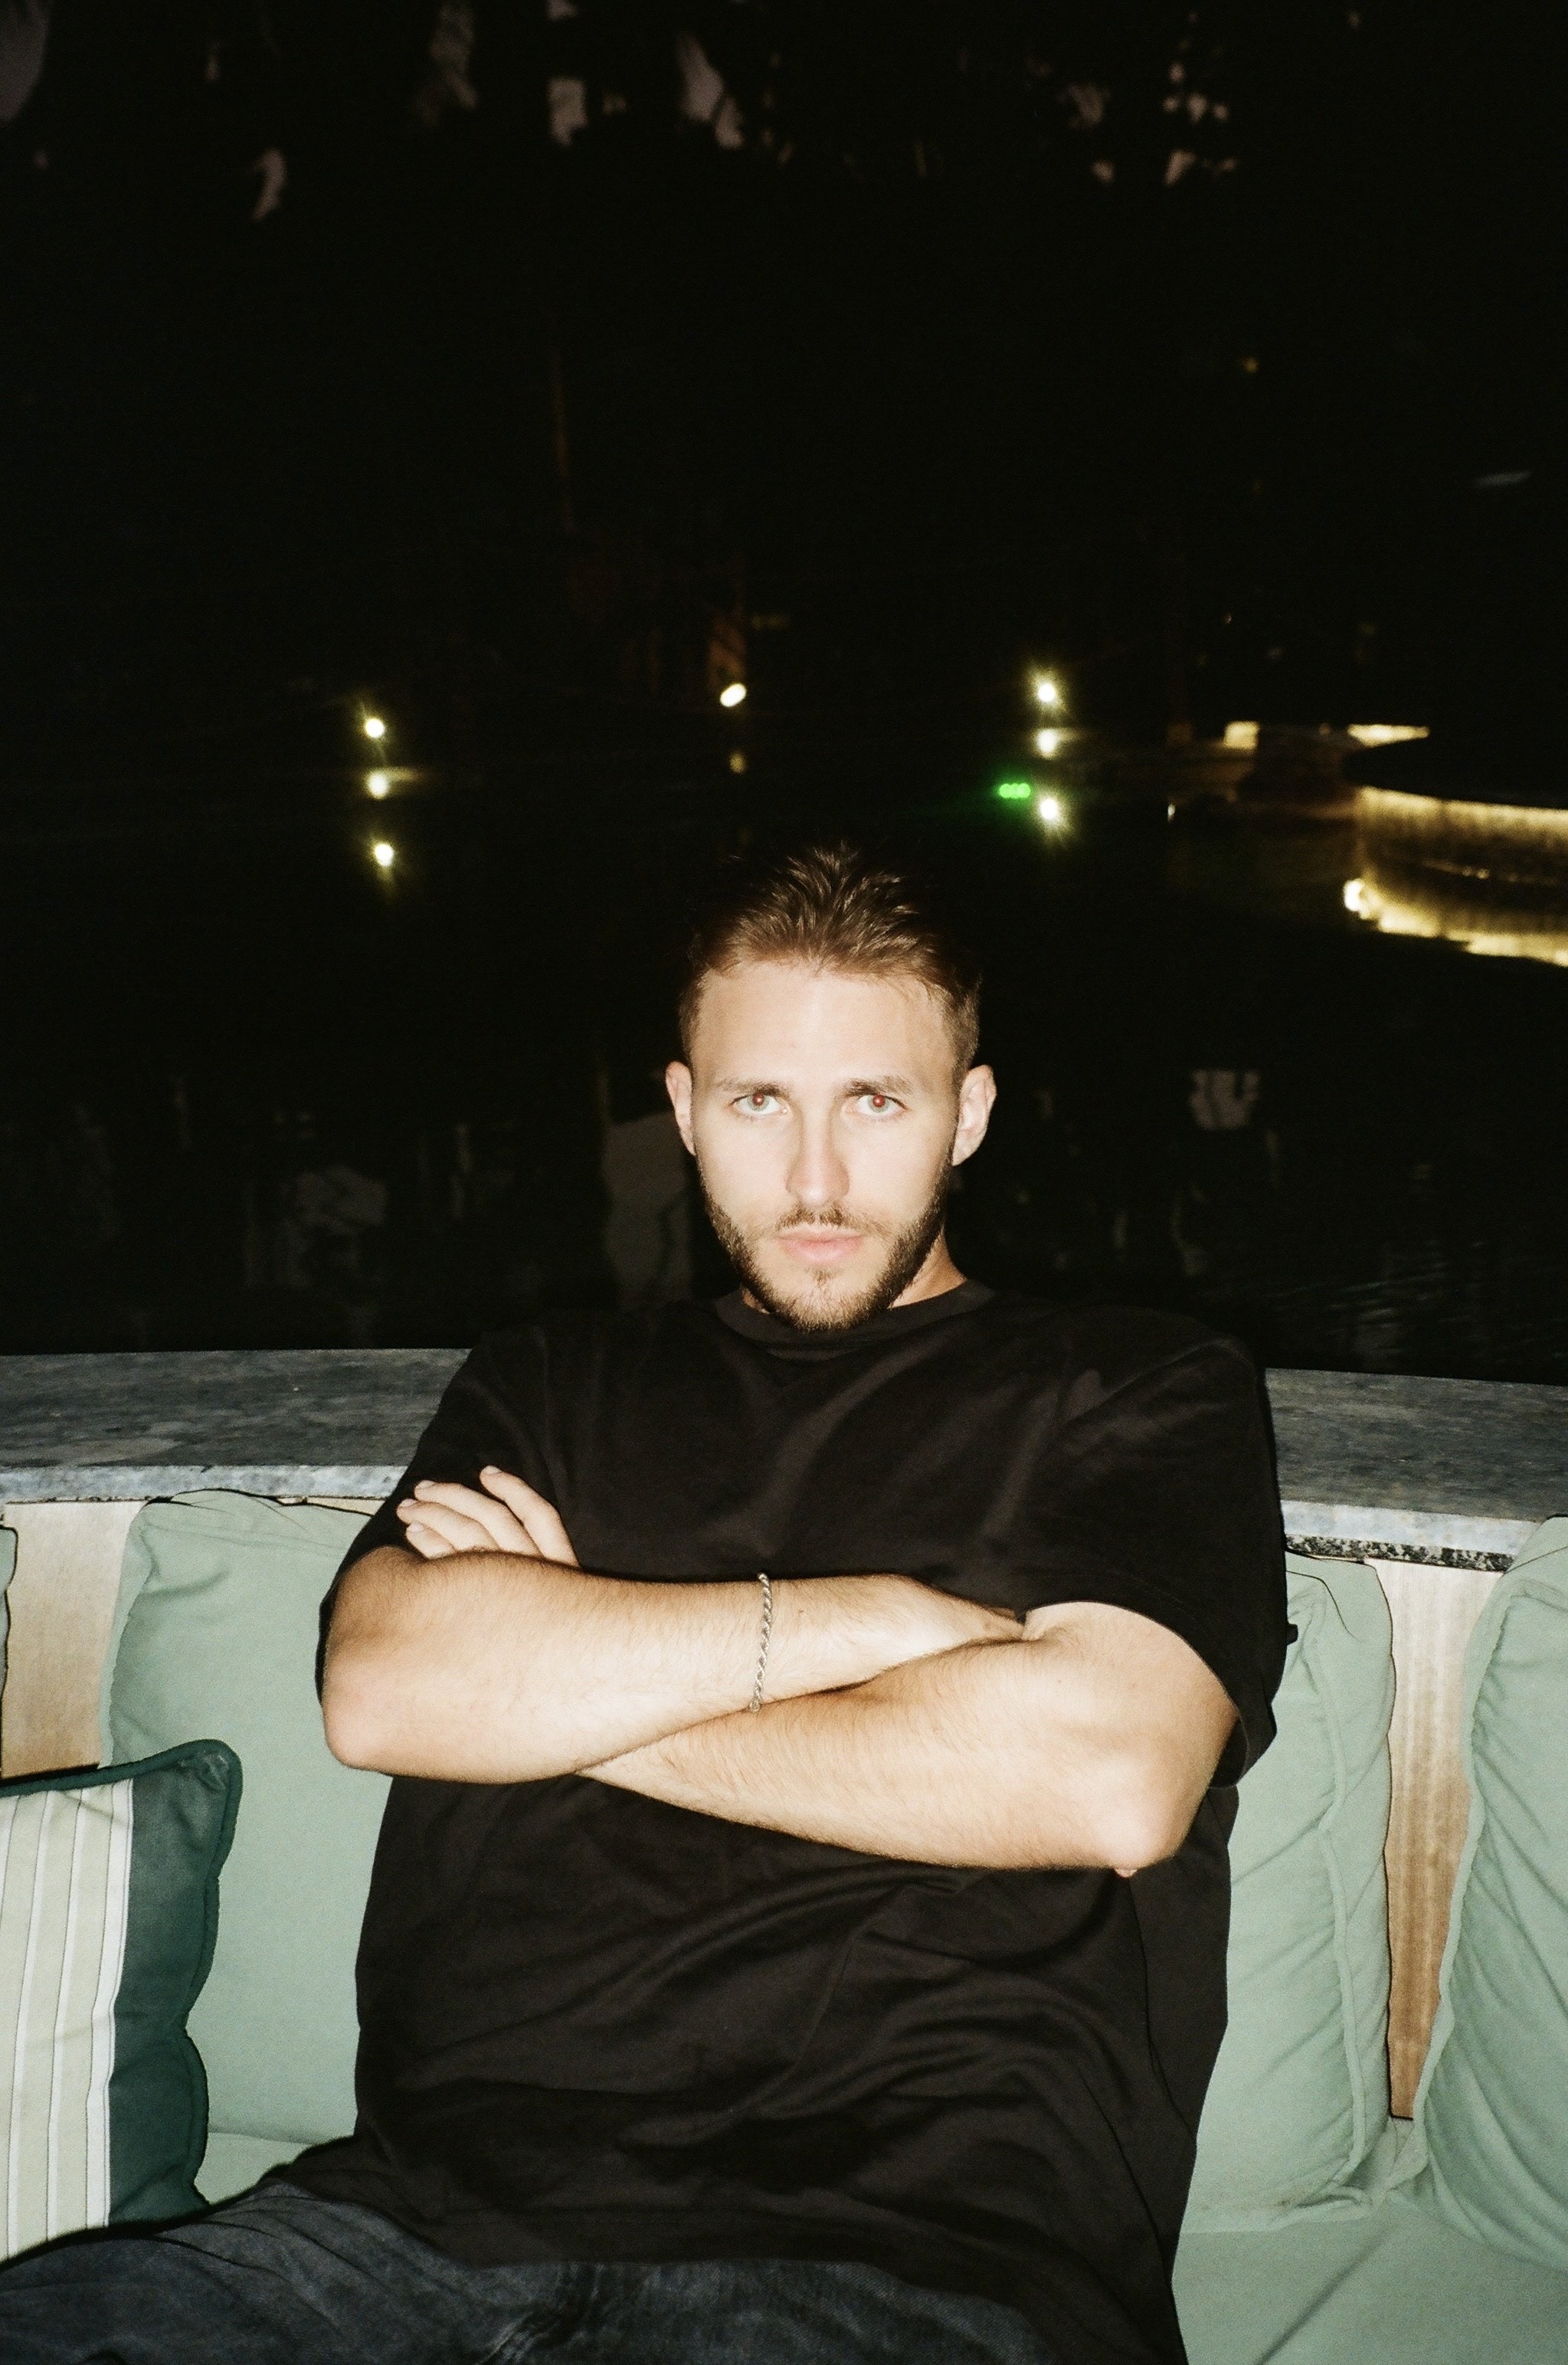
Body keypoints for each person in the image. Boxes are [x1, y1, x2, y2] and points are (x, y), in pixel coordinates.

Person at [2, 843, 1288, 2364]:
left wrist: (559, 1673)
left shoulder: (1135, 1387)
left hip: (907, 2265)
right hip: (403, 2233)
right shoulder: (554, 1382)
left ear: (972, 1112)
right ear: (682, 1110)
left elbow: (1107, 1772)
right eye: (760, 1104)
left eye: (874, 1101)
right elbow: (387, 1688)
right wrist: (876, 1620)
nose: (815, 1179)